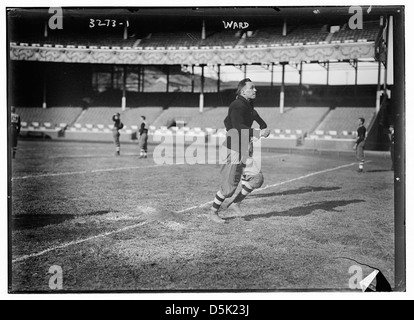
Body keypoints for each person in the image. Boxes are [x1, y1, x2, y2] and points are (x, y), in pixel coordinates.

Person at [210, 78, 271, 223]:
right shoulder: (237, 105)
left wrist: (263, 125)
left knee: (257, 179)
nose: (255, 90)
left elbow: (229, 121)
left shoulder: (247, 105)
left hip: (242, 147)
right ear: (243, 91)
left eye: (255, 88)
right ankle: (213, 212)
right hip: (233, 149)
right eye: (252, 88)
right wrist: (257, 133)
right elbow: (237, 127)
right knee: (228, 189)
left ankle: (235, 203)